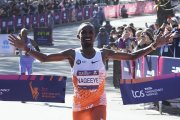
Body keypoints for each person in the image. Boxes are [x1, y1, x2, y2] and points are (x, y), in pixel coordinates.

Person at [8, 22, 174, 120]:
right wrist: (27, 48)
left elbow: (131, 57)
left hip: (98, 103)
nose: (87, 34)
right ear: (78, 36)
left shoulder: (104, 53)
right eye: (84, 32)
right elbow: (44, 58)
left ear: (94, 35)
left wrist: (154, 45)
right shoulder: (72, 54)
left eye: (90, 32)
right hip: (80, 105)